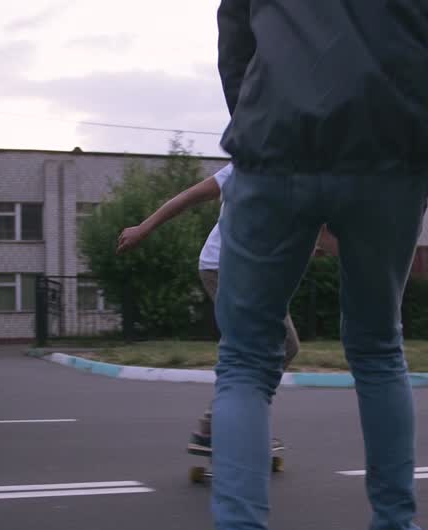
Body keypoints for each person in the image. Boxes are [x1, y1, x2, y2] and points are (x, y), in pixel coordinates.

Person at [153, 0, 428, 530]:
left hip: (275, 146)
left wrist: (264, 119)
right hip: (390, 151)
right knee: (379, 347)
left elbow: (234, 29)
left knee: (244, 360)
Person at [116, 164, 322, 451]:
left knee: (280, 346)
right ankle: (218, 428)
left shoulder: (304, 178)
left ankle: (225, 425)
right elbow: (189, 196)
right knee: (263, 347)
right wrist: (144, 227)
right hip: (224, 268)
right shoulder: (247, 166)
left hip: (255, 273)